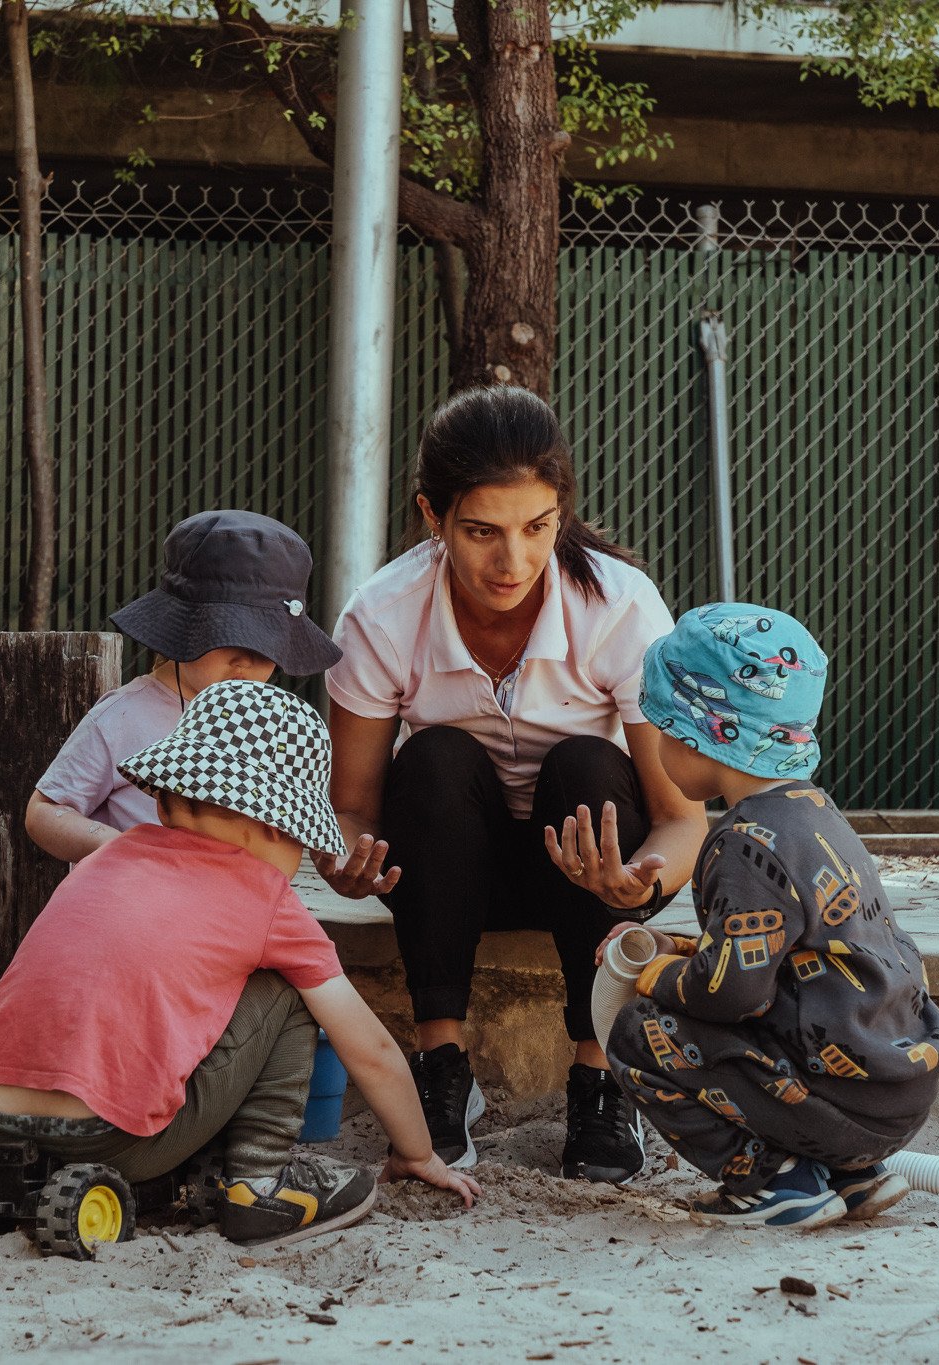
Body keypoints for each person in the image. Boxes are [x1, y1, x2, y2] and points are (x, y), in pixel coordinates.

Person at [319, 386, 709, 1184]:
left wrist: (640, 881)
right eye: (482, 532)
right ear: (433, 516)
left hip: (589, 873)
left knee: (587, 766)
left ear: (561, 510)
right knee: (433, 759)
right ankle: (441, 1070)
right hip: (448, 872)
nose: (513, 562)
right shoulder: (381, 616)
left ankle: (600, 1077)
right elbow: (353, 804)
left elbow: (681, 821)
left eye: (537, 528)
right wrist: (346, 856)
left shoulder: (620, 607)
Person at [0, 681, 480, 1250]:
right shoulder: (265, 896)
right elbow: (373, 1053)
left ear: (164, 800)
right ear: (274, 827)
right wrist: (417, 1153)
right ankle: (260, 1184)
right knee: (290, 992)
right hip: (108, 1139)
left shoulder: (108, 854)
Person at [600, 604, 939, 1229]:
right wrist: (681, 949)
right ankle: (852, 1177)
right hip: (893, 1087)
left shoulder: (745, 843)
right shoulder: (815, 815)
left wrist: (653, 975)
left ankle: (775, 1184)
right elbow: (789, 954)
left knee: (638, 1034)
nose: (654, 747)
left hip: (839, 1099)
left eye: (660, 729)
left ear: (696, 733)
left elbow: (733, 992)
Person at [25, 509, 341, 863]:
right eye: (232, 638)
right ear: (184, 626)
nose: (247, 661)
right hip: (139, 898)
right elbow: (45, 810)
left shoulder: (270, 724)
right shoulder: (124, 715)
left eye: (267, 648)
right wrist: (114, 845)